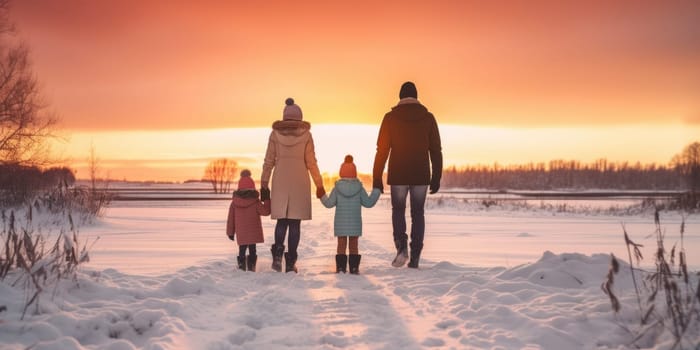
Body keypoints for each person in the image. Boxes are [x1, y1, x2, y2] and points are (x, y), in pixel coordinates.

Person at [372, 81, 442, 269]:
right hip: (421, 174)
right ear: (417, 97)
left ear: (400, 97)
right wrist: (436, 176)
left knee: (398, 210)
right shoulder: (428, 118)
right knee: (418, 212)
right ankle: (416, 253)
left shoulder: (390, 118)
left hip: (399, 173)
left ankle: (401, 247)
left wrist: (377, 177)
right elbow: (436, 150)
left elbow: (382, 150)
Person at [261, 98, 325, 273]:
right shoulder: (306, 135)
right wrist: (319, 184)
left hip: (280, 179)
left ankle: (277, 256)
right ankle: (290, 262)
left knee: (282, 221)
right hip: (299, 181)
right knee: (295, 223)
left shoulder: (274, 134)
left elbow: (268, 161)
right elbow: (312, 162)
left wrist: (264, 184)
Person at [320, 155, 381, 274]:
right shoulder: (359, 187)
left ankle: (341, 268)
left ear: (341, 172)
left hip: (341, 223)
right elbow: (368, 203)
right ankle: (354, 268)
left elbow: (329, 203)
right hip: (355, 223)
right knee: (354, 245)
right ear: (355, 172)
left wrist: (321, 194)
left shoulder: (337, 188)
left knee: (341, 245)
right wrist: (376, 190)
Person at [226, 169, 271, 272]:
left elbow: (231, 219)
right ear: (252, 187)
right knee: (252, 249)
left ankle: (241, 268)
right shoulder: (255, 202)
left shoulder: (234, 203)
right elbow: (266, 212)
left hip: (241, 233)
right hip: (253, 232)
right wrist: (267, 199)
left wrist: (230, 233)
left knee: (242, 249)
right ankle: (252, 268)